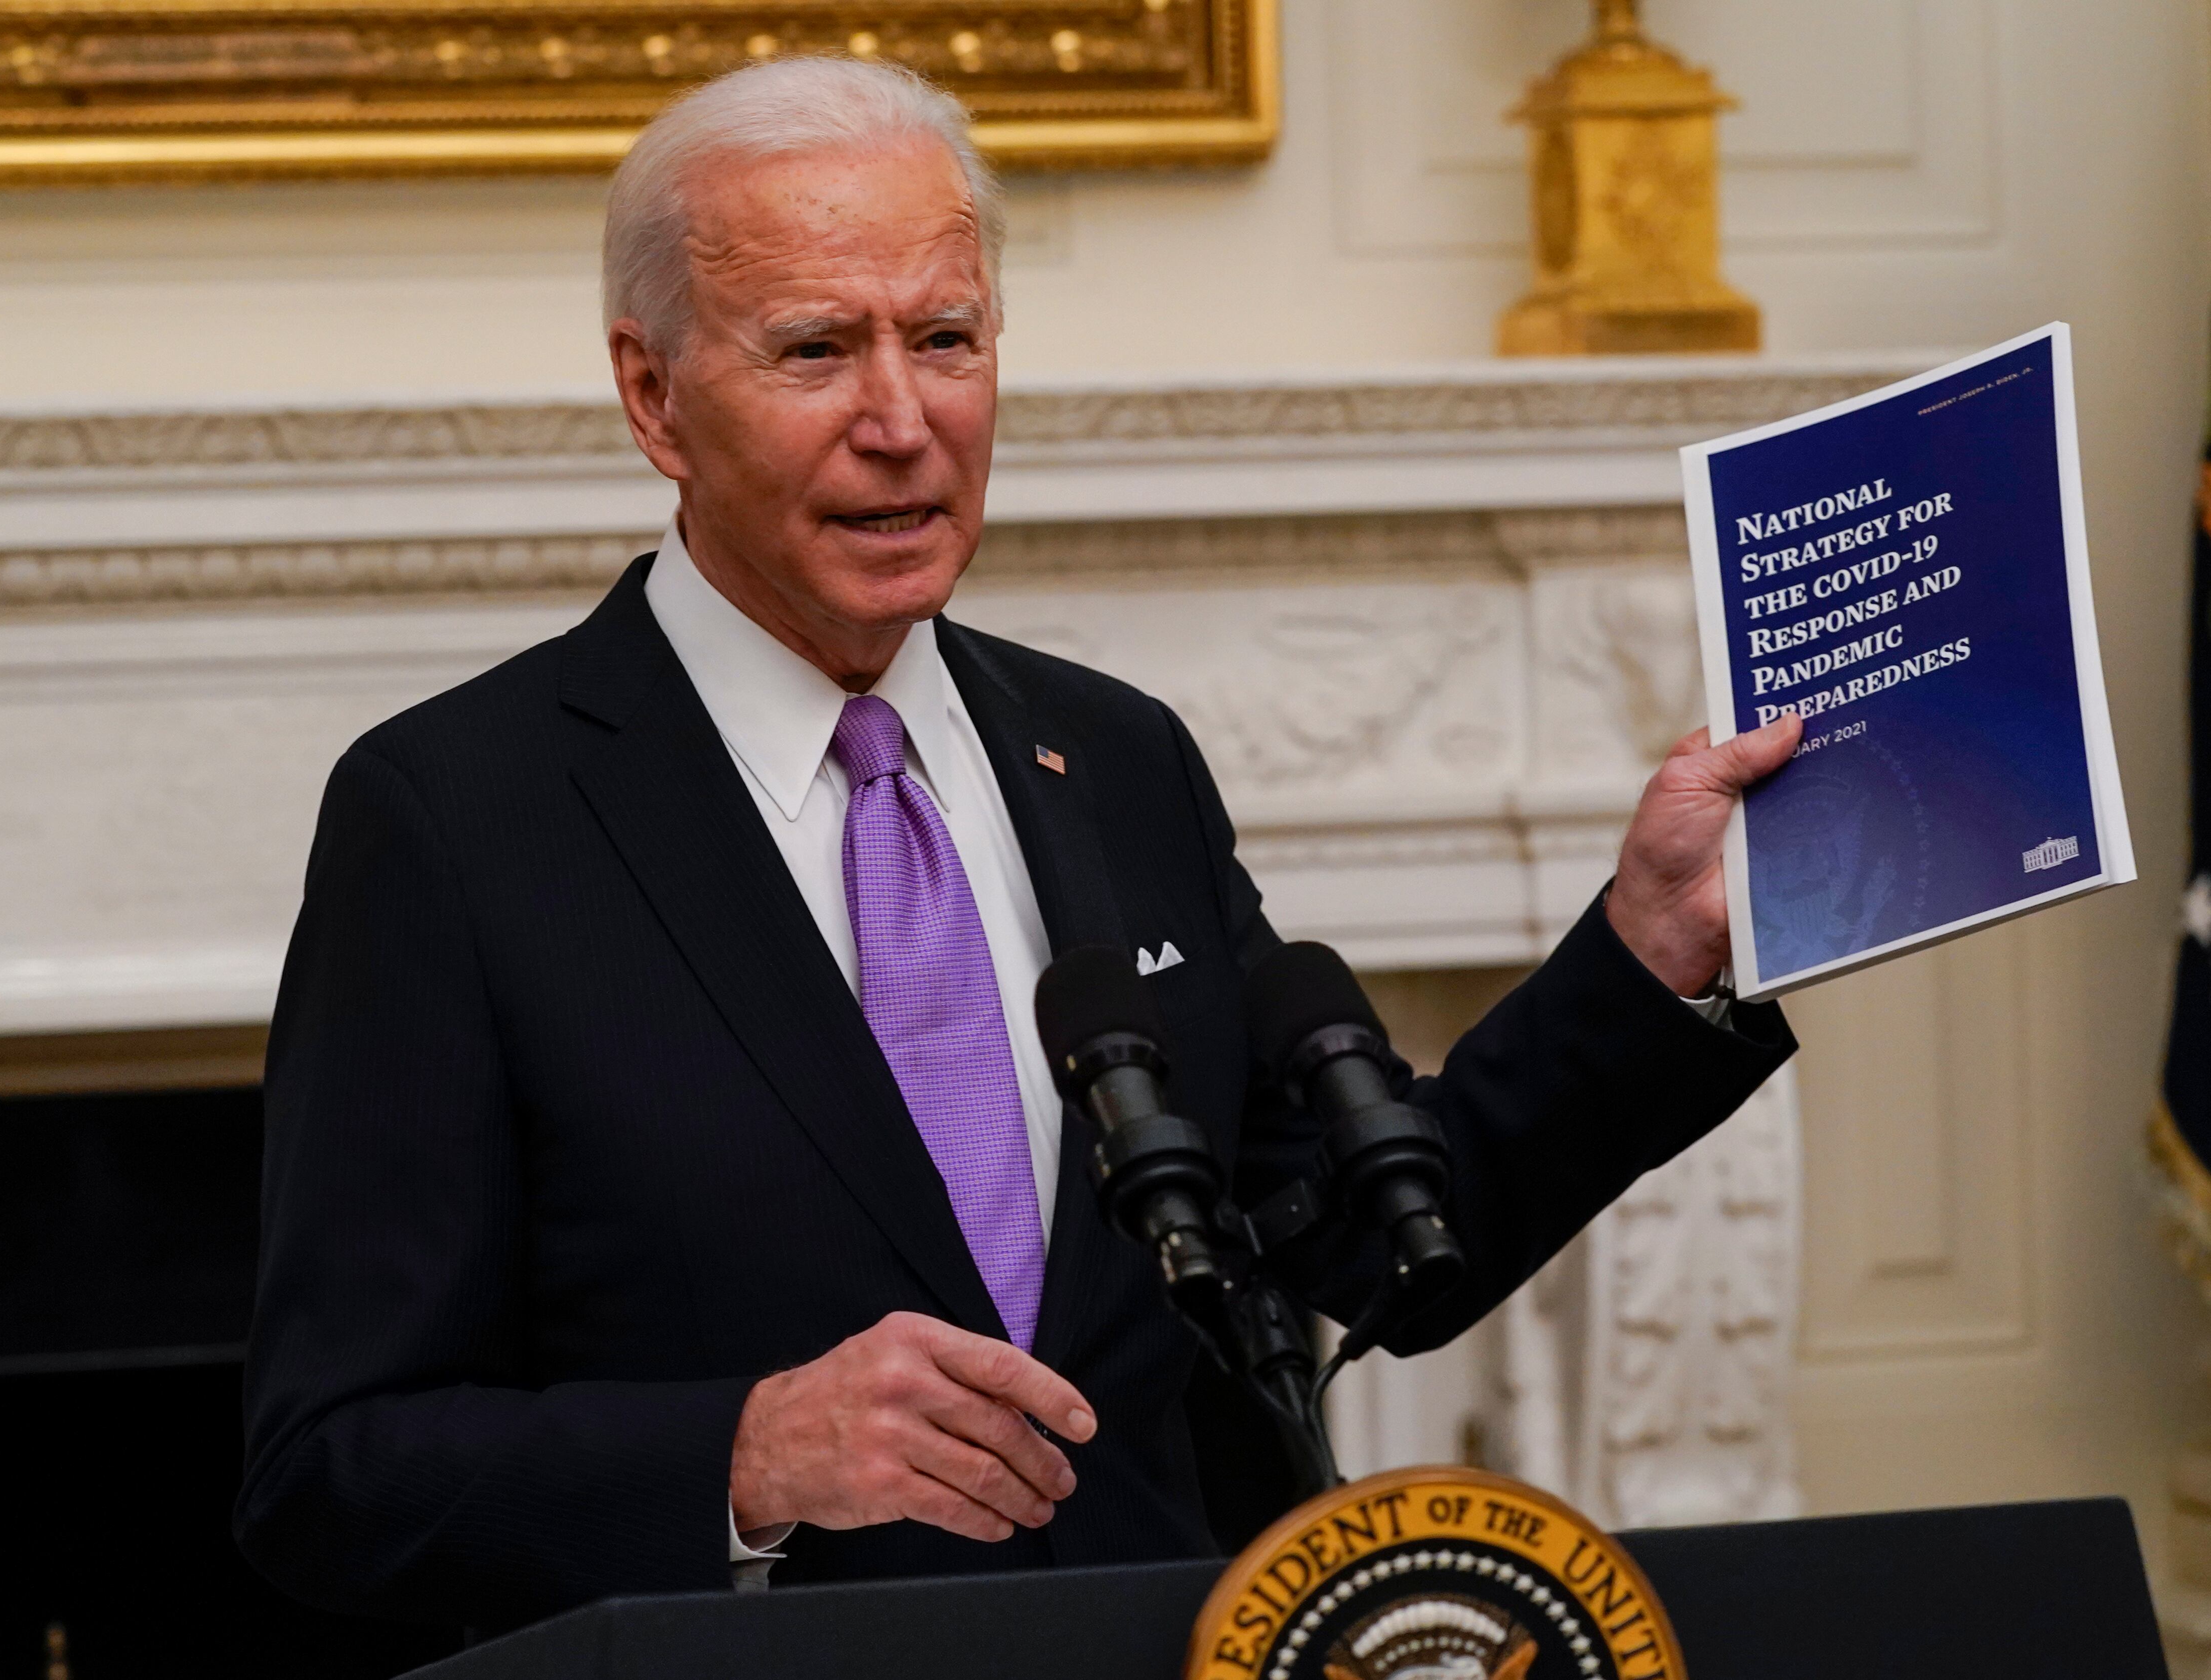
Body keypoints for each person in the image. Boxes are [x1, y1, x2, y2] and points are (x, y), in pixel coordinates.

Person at [234, 55, 1802, 1633]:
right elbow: (330, 1476)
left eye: (946, 340)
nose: (901, 423)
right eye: (815, 350)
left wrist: (1651, 949)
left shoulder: (1117, 760)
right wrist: (742, 1455)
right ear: (654, 395)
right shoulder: (453, 820)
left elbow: (1371, 1238)